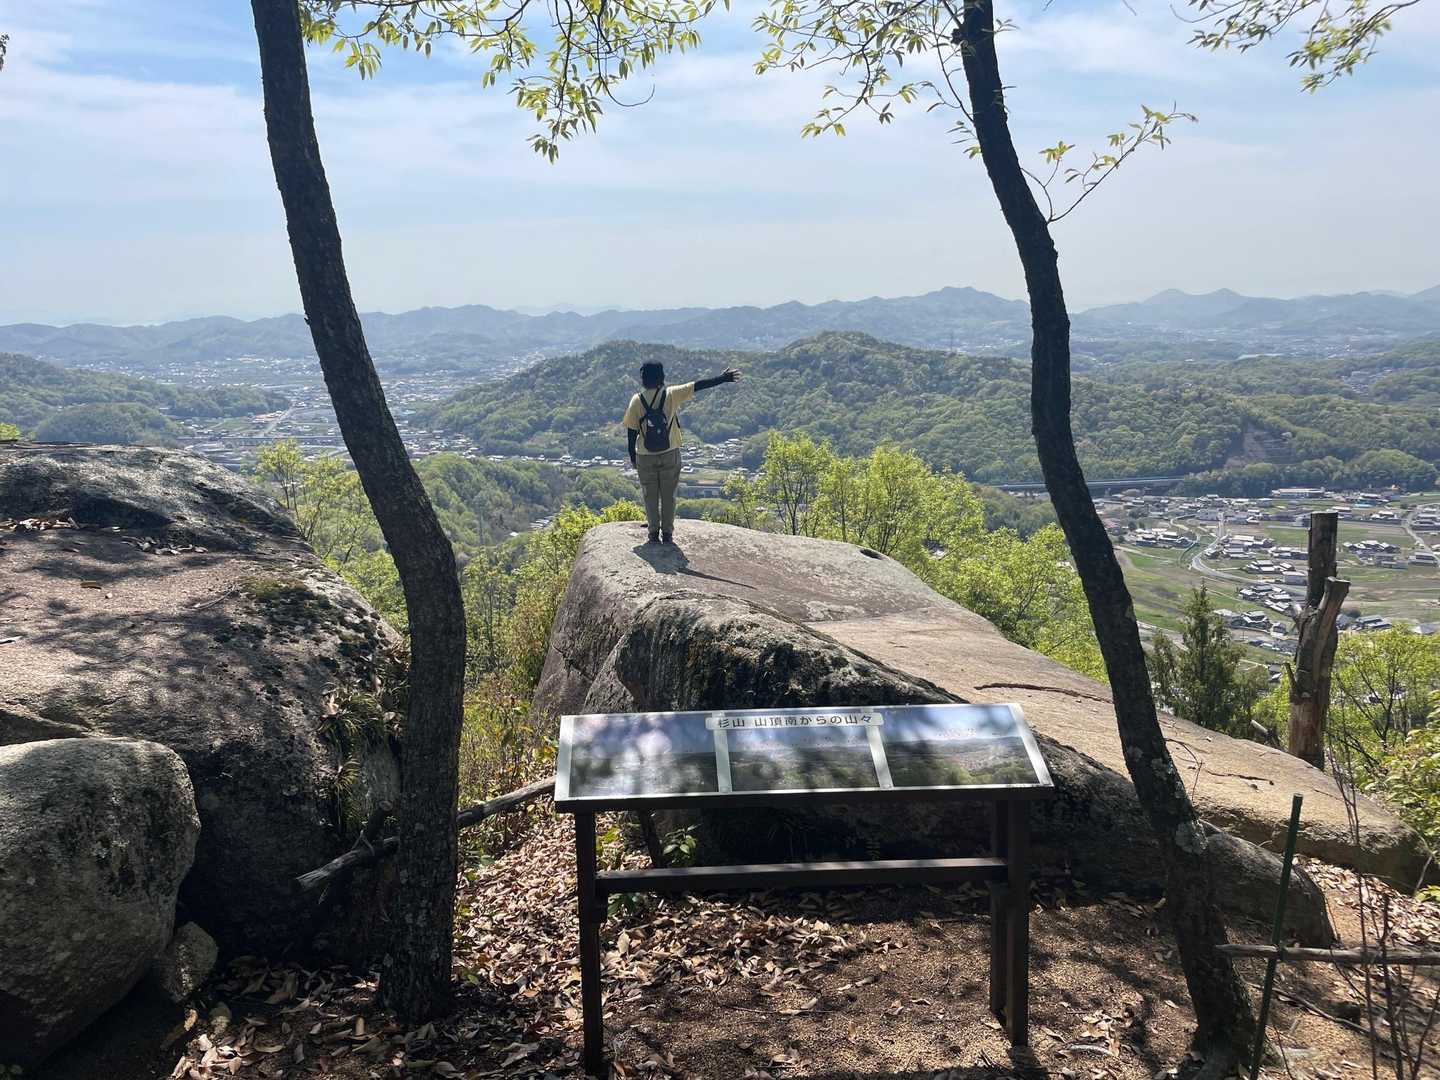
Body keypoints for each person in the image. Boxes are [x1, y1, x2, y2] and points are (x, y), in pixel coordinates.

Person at [622, 361, 741, 543]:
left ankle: (653, 533)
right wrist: (723, 378)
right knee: (669, 495)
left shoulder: (636, 400)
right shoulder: (671, 394)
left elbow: (631, 434)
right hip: (670, 452)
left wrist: (633, 458)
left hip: (645, 456)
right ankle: (667, 534)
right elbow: (698, 385)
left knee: (649, 495)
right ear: (661, 377)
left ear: (643, 379)